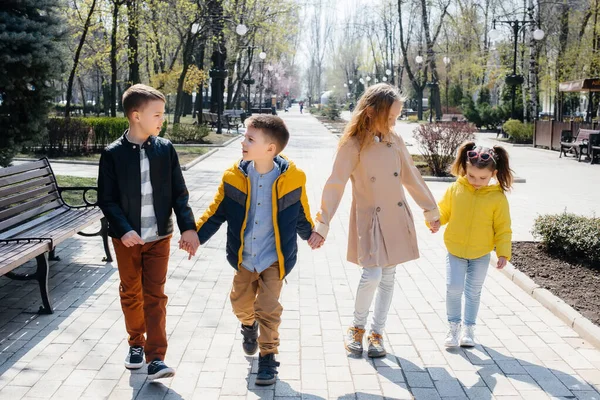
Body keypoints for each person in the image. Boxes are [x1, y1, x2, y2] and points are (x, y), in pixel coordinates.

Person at [310, 83, 441, 358]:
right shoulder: (353, 144)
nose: (394, 123)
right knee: (372, 273)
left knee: (389, 276)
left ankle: (377, 333)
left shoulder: (395, 141)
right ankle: (356, 328)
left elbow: (411, 177)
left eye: (396, 118)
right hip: (370, 218)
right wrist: (323, 224)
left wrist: (430, 210)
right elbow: (336, 183)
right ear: (370, 112)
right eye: (390, 117)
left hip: (395, 214)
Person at [192, 115, 321, 385]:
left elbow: (301, 212)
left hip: (275, 258)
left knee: (269, 309)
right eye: (245, 136)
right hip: (244, 257)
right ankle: (248, 326)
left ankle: (268, 358)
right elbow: (215, 213)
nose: (243, 142)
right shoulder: (233, 176)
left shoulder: (293, 178)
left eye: (250, 139)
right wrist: (195, 235)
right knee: (240, 303)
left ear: (270, 149)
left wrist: (311, 234)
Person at [98, 84, 199, 381]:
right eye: (157, 114)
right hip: (127, 240)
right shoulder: (113, 154)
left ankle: (156, 358)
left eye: (162, 114)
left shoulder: (165, 150)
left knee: (154, 295)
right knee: (131, 292)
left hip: (159, 238)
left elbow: (179, 194)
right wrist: (124, 229)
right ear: (136, 115)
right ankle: (135, 344)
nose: (162, 120)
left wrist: (189, 229)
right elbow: (107, 199)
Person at [432, 142, 513, 348]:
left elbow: (503, 227)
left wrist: (503, 252)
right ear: (465, 169)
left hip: (480, 254)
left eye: (482, 178)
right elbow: (444, 211)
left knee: (473, 292)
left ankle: (468, 329)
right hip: (455, 250)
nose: (476, 181)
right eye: (471, 176)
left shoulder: (497, 197)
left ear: (493, 173)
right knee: (453, 288)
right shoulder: (455, 188)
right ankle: (453, 327)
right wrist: (435, 221)